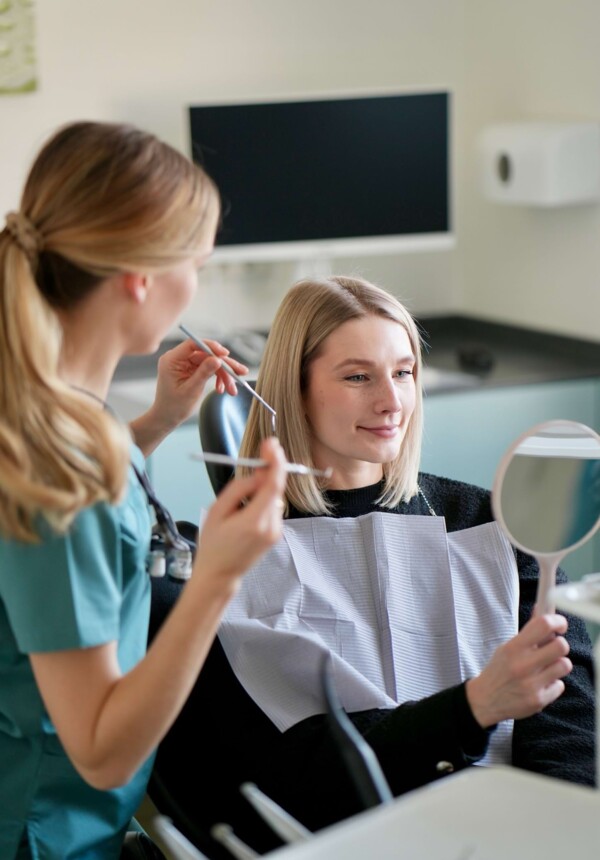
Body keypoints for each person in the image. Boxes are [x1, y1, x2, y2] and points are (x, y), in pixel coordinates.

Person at [152, 275, 595, 858]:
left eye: (404, 372)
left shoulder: (496, 527)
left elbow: (570, 731)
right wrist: (474, 705)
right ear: (293, 389)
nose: (392, 402)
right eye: (358, 376)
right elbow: (294, 776)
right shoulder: (229, 556)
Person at [0, 120, 287, 860]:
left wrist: (154, 425)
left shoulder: (49, 413)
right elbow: (100, 750)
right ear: (140, 279)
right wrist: (217, 577)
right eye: (197, 263)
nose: (198, 284)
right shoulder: (56, 465)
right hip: (43, 837)